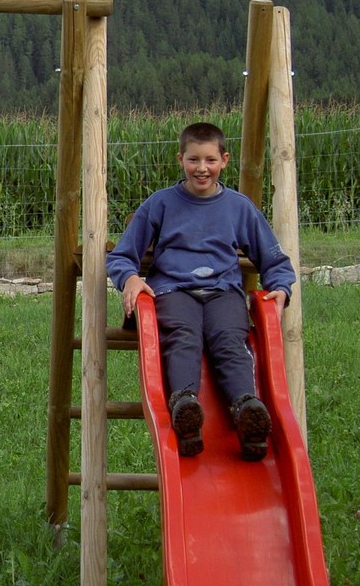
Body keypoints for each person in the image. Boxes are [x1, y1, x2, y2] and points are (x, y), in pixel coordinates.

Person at [106, 122, 295, 461]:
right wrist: (130, 279)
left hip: (222, 291)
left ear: (224, 160)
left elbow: (272, 256)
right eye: (193, 160)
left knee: (229, 339)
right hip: (173, 290)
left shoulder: (238, 207)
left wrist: (280, 286)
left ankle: (246, 409)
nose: (201, 168)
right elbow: (122, 255)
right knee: (182, 335)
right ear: (181, 159)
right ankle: (184, 405)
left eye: (210, 160)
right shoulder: (160, 204)